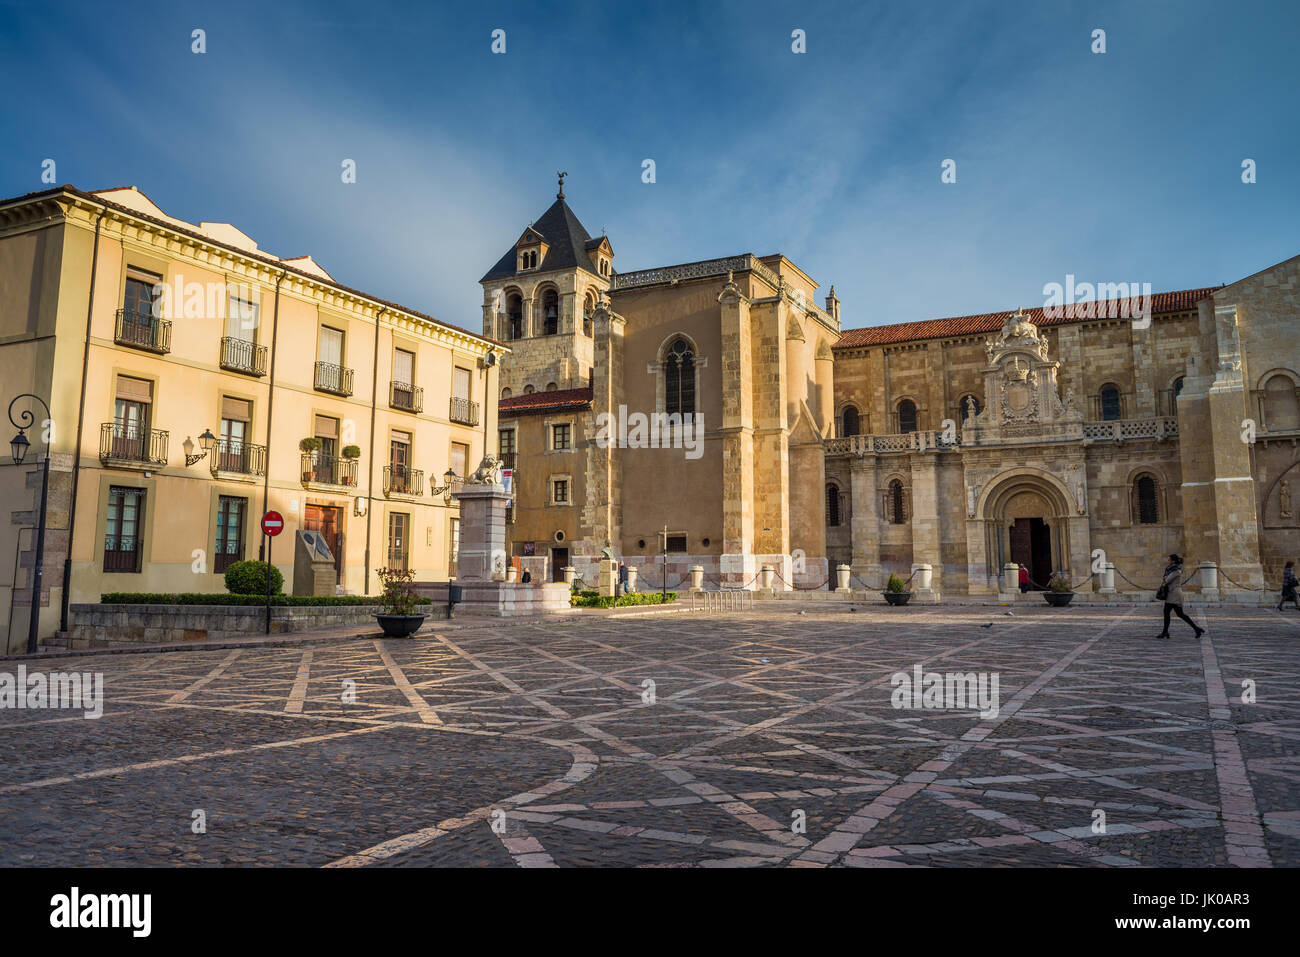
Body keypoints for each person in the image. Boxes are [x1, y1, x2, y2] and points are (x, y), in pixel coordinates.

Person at [1156, 553, 1204, 639]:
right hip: (1171, 595)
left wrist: (1165, 577)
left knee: (1178, 614)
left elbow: (1167, 580)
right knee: (1172, 613)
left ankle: (1196, 629)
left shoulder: (1176, 571)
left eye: (1169, 560)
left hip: (1175, 595)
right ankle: (1165, 632)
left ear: (1173, 561)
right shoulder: (1172, 569)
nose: (1168, 561)